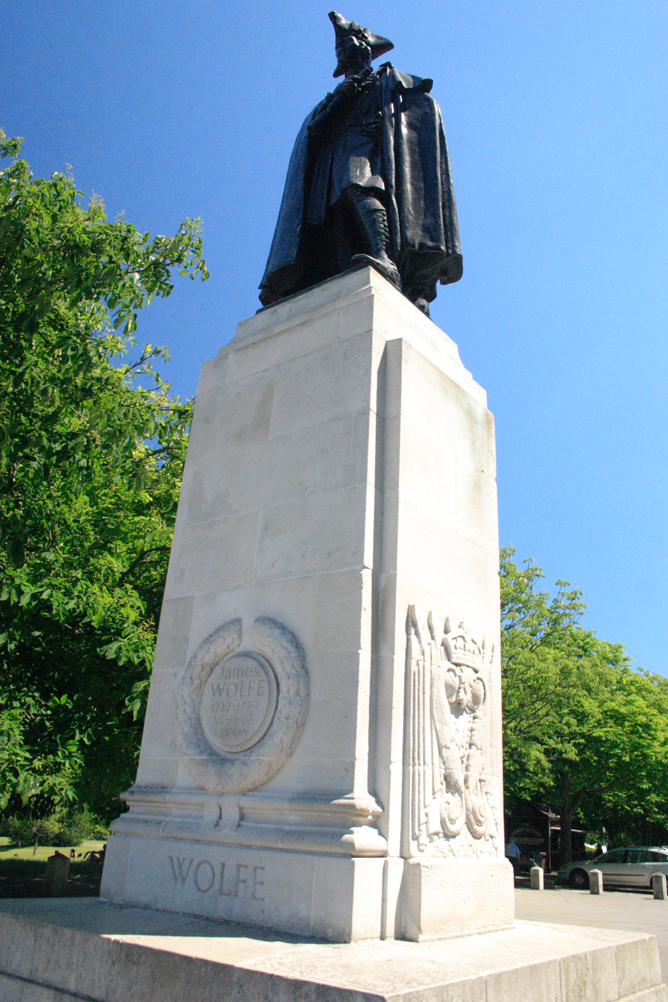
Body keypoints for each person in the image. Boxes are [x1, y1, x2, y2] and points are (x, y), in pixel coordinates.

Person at [259, 11, 463, 316]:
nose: (341, 49)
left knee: (357, 184)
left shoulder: (387, 79)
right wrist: (341, 97)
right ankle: (340, 274)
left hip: (370, 150)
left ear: (366, 47)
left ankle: (385, 258)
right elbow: (315, 131)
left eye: (348, 42)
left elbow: (412, 112)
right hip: (330, 159)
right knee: (336, 219)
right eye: (337, 48)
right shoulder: (332, 98)